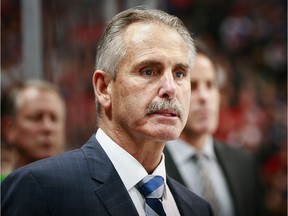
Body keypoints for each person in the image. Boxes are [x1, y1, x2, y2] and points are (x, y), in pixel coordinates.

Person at [1, 7, 213, 216]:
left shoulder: (198, 208)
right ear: (103, 88)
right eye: (148, 70)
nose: (170, 88)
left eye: (179, 73)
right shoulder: (39, 188)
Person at [164, 42, 265, 216]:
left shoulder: (244, 163)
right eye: (193, 86)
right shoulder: (149, 169)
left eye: (210, 85)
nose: (204, 97)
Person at [0, 80, 66, 180]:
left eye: (54, 118)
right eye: (36, 118)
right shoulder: (4, 190)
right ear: (9, 128)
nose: (47, 127)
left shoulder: (81, 188)